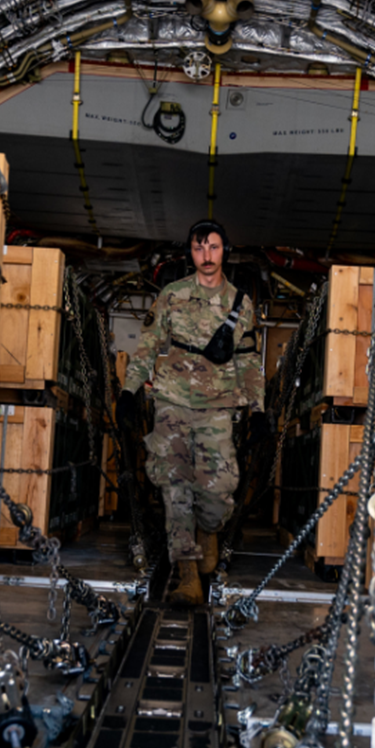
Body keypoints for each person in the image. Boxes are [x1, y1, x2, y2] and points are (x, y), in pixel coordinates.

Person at [120, 220, 266, 606]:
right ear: (191, 252)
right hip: (171, 402)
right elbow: (148, 347)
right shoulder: (171, 295)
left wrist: (258, 409)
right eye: (199, 248)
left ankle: (209, 530)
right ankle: (187, 576)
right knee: (175, 486)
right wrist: (128, 390)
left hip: (218, 406)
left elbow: (250, 361)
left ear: (224, 251)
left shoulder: (240, 303)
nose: (206, 256)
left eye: (214, 248)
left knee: (218, 491)